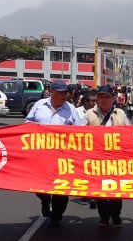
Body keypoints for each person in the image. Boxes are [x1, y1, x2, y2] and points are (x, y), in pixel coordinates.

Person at [25, 80, 87, 224]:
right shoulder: (39, 105)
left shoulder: (70, 109)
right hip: (41, 154)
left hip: (62, 156)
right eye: (60, 92)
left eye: (65, 92)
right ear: (51, 92)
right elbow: (27, 123)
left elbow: (79, 132)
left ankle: (56, 215)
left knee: (61, 188)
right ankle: (45, 201)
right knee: (40, 186)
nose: (63, 95)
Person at [86, 85, 130, 227]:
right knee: (101, 190)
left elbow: (130, 133)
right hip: (97, 159)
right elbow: (76, 133)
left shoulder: (120, 114)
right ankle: (104, 217)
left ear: (113, 99)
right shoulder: (89, 114)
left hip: (117, 159)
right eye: (101, 97)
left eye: (107, 97)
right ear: (97, 99)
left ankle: (116, 216)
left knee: (116, 190)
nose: (104, 100)